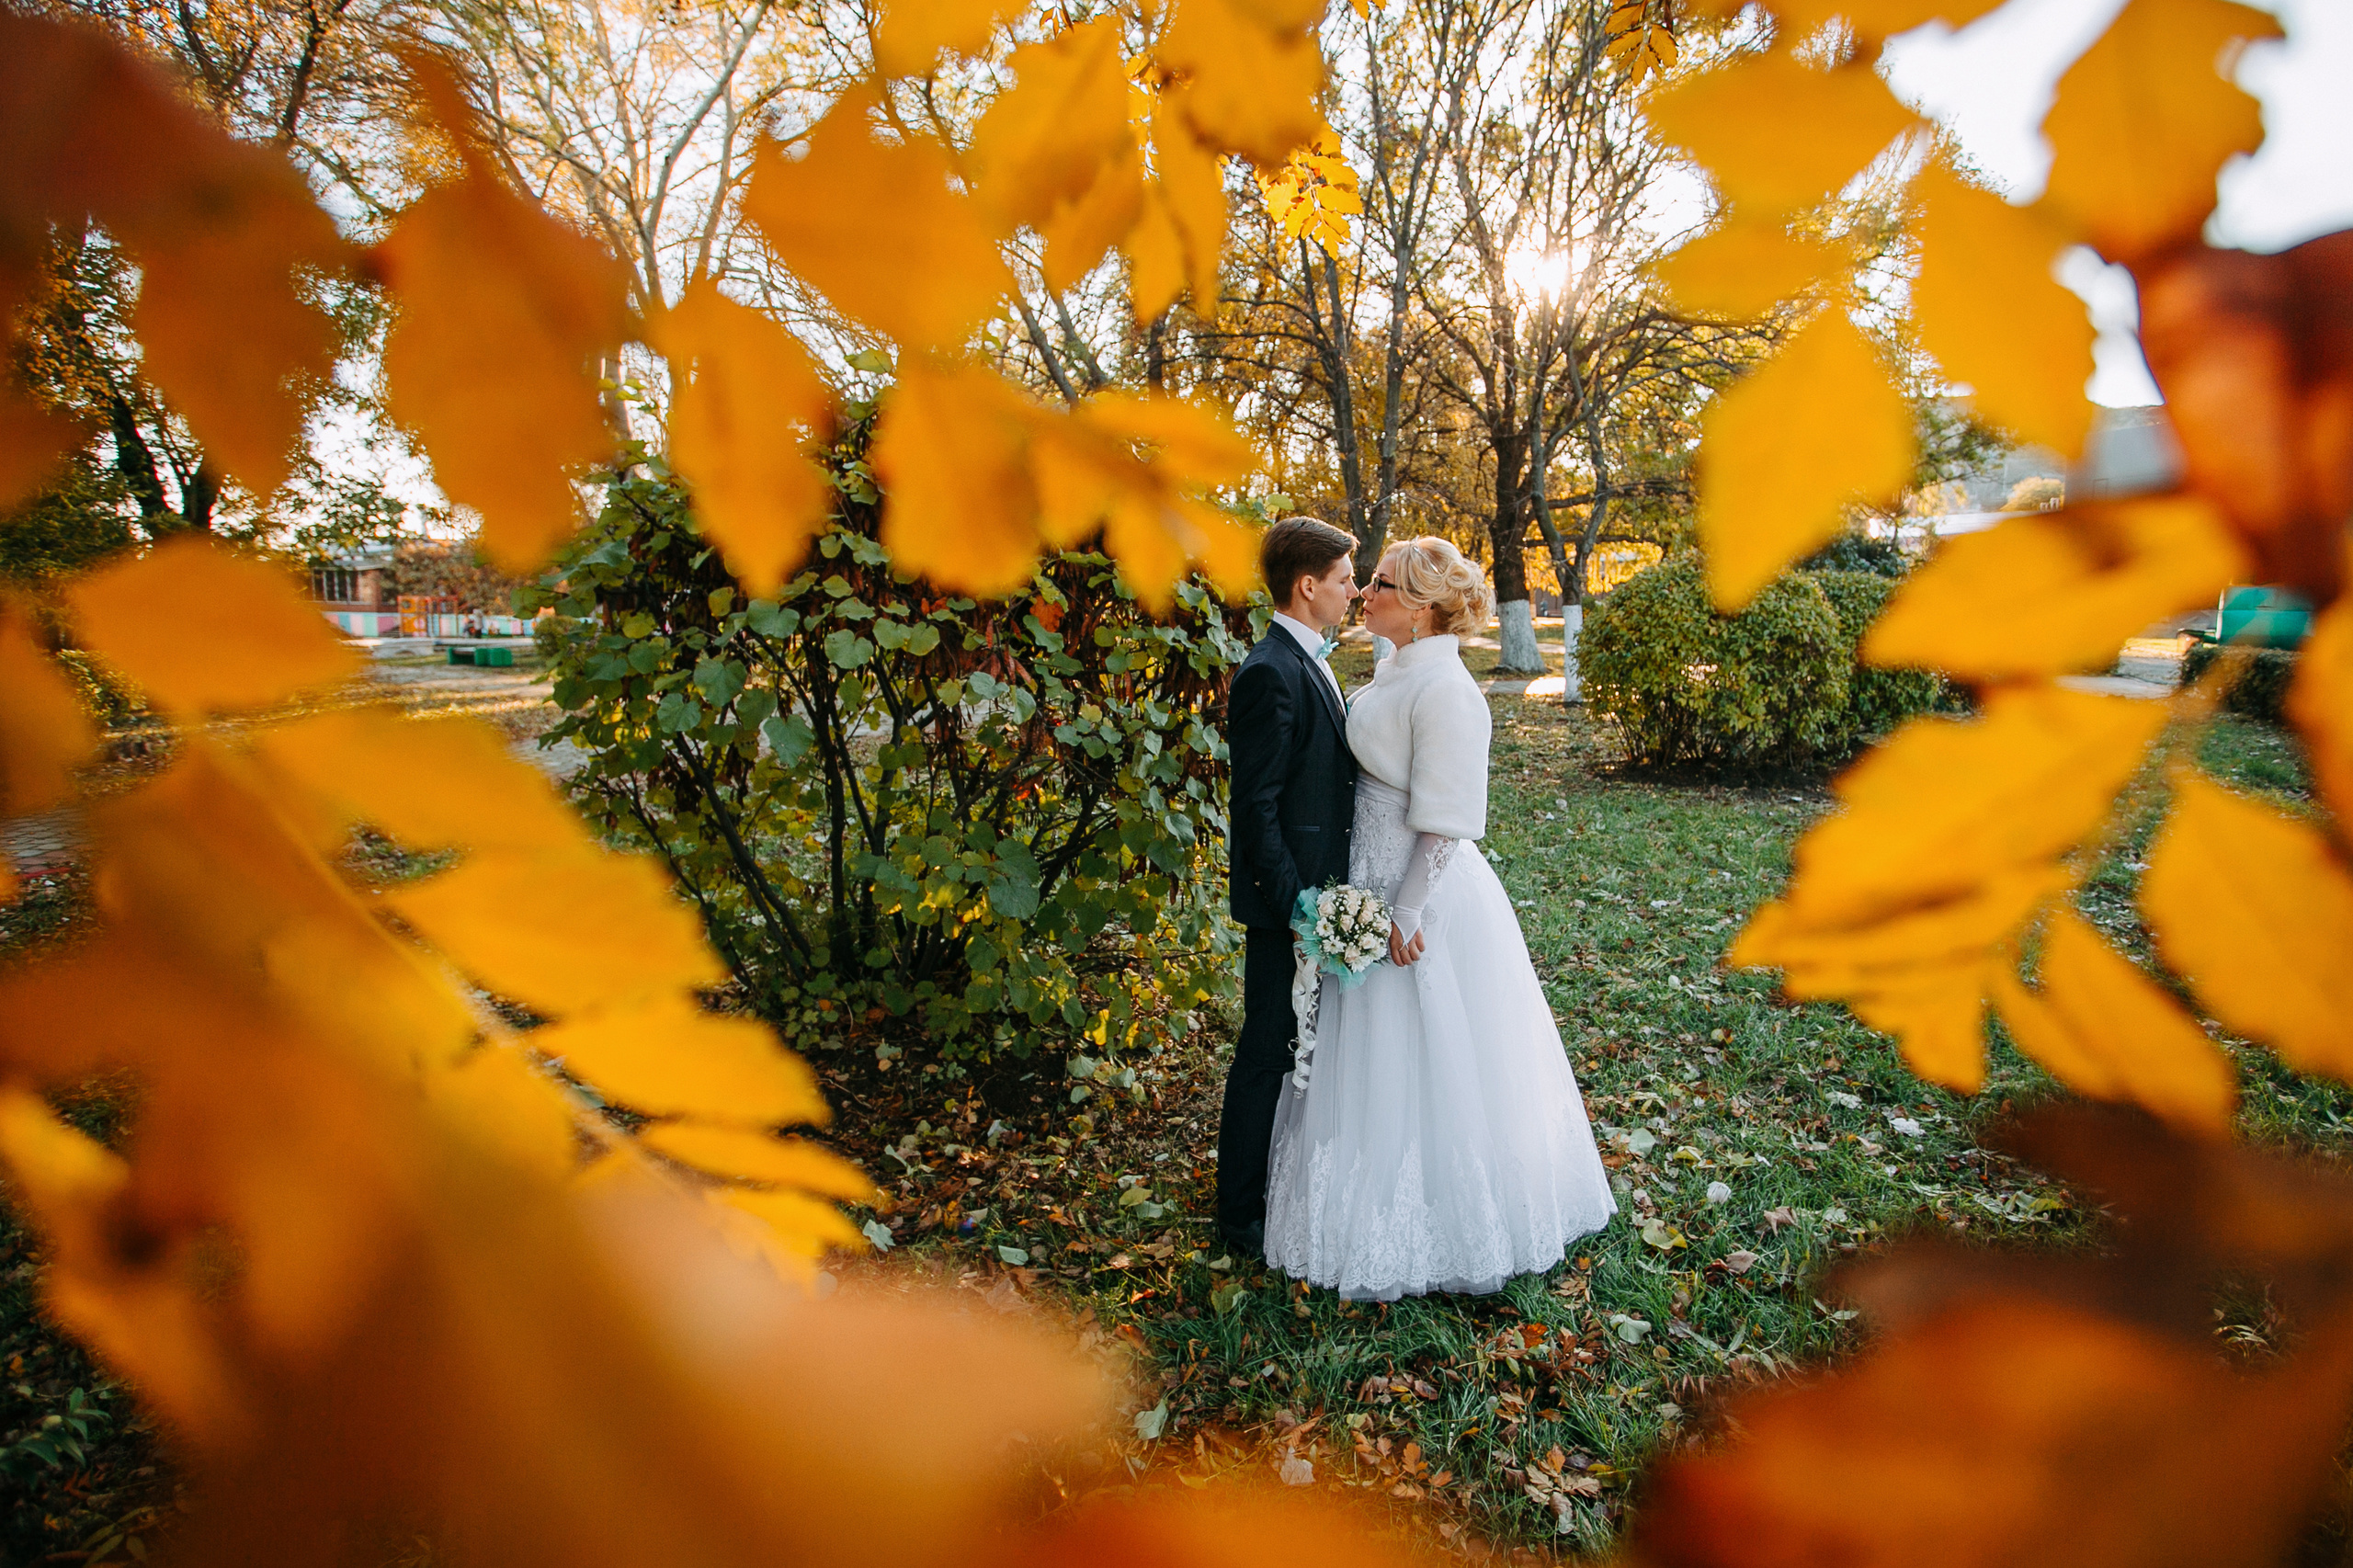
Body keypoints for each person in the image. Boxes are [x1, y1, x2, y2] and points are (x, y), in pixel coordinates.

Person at [1263, 536, 1615, 1300]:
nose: (1365, 594)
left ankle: (1445, 1214)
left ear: (1420, 608)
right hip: (1363, 878)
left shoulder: (1449, 690)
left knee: (1434, 1051)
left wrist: (1405, 910)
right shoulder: (1392, 668)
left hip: (1417, 897)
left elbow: (1447, 819)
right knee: (1368, 1050)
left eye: (1380, 584)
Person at [1218, 517, 1361, 1260]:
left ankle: (1279, 1181)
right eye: (1343, 580)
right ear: (1308, 586)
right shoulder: (1270, 669)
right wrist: (1297, 908)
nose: (1354, 592)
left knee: (1287, 1044)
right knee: (1266, 1050)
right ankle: (1239, 1214)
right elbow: (1256, 807)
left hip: (1314, 892)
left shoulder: (1312, 658)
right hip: (1287, 903)